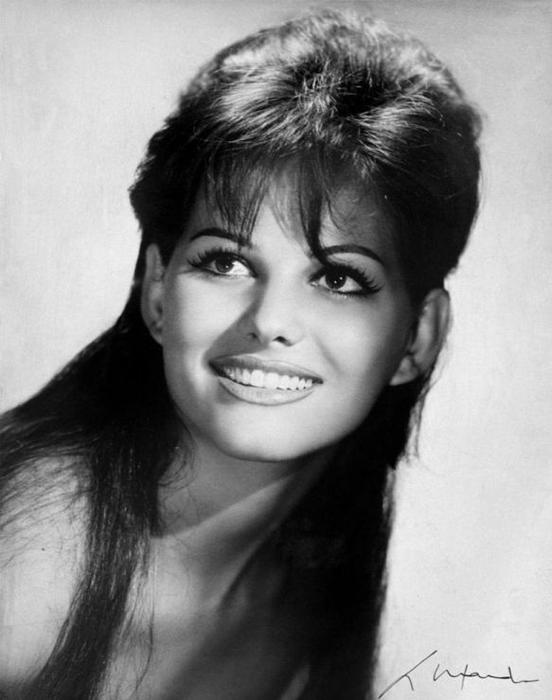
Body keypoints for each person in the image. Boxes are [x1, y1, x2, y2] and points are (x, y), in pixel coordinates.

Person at [0, 9, 481, 700]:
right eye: (225, 262)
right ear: (157, 291)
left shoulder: (305, 597)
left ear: (417, 338)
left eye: (337, 278)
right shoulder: (26, 563)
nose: (270, 321)